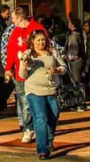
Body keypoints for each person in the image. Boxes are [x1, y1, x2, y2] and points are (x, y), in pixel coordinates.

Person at [18, 29, 67, 160]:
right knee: (40, 117)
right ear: (32, 41)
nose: (41, 42)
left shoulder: (52, 52)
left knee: (53, 115)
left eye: (43, 40)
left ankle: (49, 141)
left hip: (51, 90)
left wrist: (57, 70)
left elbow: (64, 68)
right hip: (34, 90)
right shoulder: (28, 54)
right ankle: (42, 149)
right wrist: (24, 65)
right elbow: (22, 75)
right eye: (38, 40)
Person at [4, 7, 49, 144]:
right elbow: (11, 50)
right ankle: (27, 128)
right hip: (20, 72)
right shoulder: (15, 32)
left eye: (14, 18)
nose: (12, 21)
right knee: (23, 102)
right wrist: (8, 69)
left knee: (37, 101)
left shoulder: (37, 29)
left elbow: (47, 46)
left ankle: (38, 127)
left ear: (20, 18)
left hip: (36, 72)